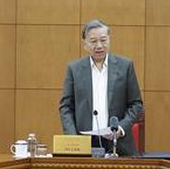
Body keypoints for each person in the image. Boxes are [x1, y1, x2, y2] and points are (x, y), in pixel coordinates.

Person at [59, 19, 143, 156]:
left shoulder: (125, 66)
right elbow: (66, 107)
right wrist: (72, 138)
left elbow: (136, 104)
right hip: (84, 142)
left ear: (109, 40)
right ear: (85, 44)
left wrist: (121, 128)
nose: (99, 46)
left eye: (103, 40)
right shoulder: (74, 69)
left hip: (118, 143)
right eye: (93, 41)